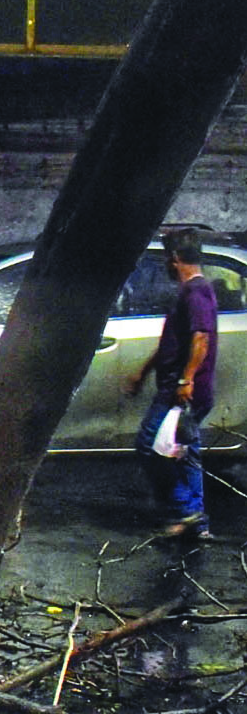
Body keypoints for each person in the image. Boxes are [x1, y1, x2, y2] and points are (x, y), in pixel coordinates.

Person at [128, 227, 218, 540]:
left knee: (149, 446)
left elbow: (200, 338)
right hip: (181, 388)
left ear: (175, 258)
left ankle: (185, 510)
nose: (166, 264)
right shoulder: (192, 291)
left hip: (181, 392)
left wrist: (185, 380)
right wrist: (144, 371)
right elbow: (175, 341)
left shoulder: (195, 292)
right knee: (185, 453)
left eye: (167, 258)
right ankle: (197, 523)